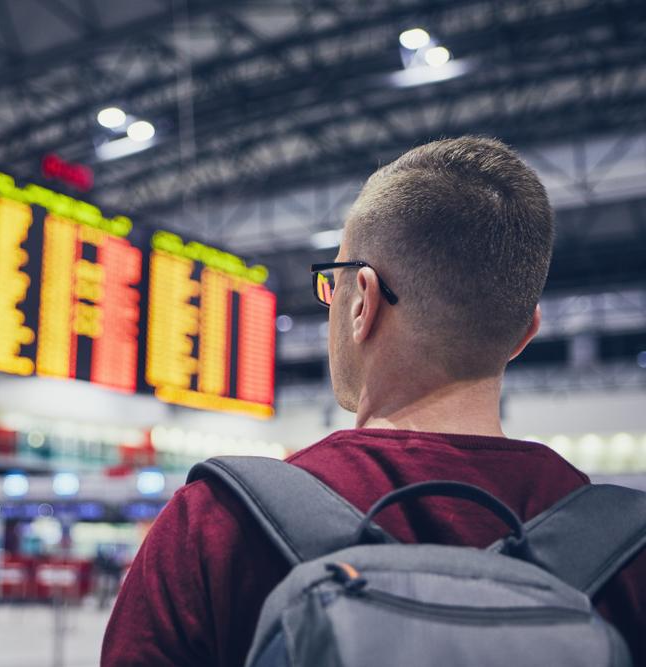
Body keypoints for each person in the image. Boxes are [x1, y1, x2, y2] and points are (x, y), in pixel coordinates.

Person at [102, 137, 646, 666]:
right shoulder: (629, 555)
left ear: (362, 299)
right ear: (524, 334)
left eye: (332, 283)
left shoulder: (215, 526)